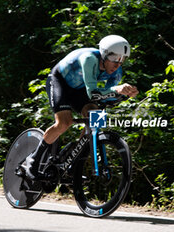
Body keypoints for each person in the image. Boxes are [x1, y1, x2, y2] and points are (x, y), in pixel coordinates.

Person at [23, 35, 139, 180]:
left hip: (79, 89)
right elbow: (93, 92)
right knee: (64, 122)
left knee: (97, 116)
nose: (118, 64)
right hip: (60, 81)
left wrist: (124, 95)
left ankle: (75, 162)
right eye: (115, 58)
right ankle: (34, 158)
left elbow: (106, 98)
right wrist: (117, 90)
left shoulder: (116, 72)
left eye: (122, 60)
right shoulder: (89, 59)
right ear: (104, 54)